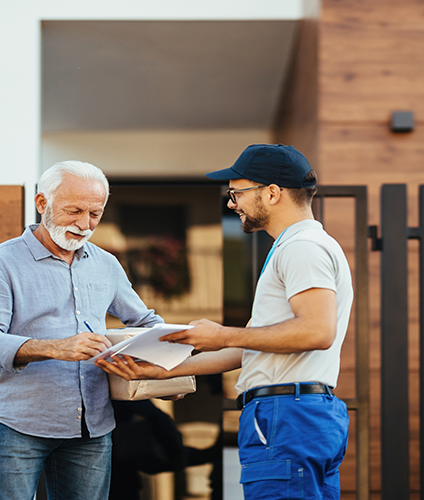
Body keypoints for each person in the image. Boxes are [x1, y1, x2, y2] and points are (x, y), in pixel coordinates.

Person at [97, 144, 354, 499]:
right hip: (300, 414)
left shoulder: (302, 248)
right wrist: (164, 371)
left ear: (272, 193)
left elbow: (316, 331)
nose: (232, 203)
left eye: (237, 193)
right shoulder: (300, 246)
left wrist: (220, 334)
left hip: (285, 416)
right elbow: (251, 346)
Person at [0, 160, 164, 500]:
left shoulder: (106, 264)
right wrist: (56, 348)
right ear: (42, 204)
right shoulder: (0, 262)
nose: (84, 224)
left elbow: (147, 323)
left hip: (93, 428)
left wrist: (171, 369)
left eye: (95, 214)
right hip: (17, 425)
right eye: (74, 211)